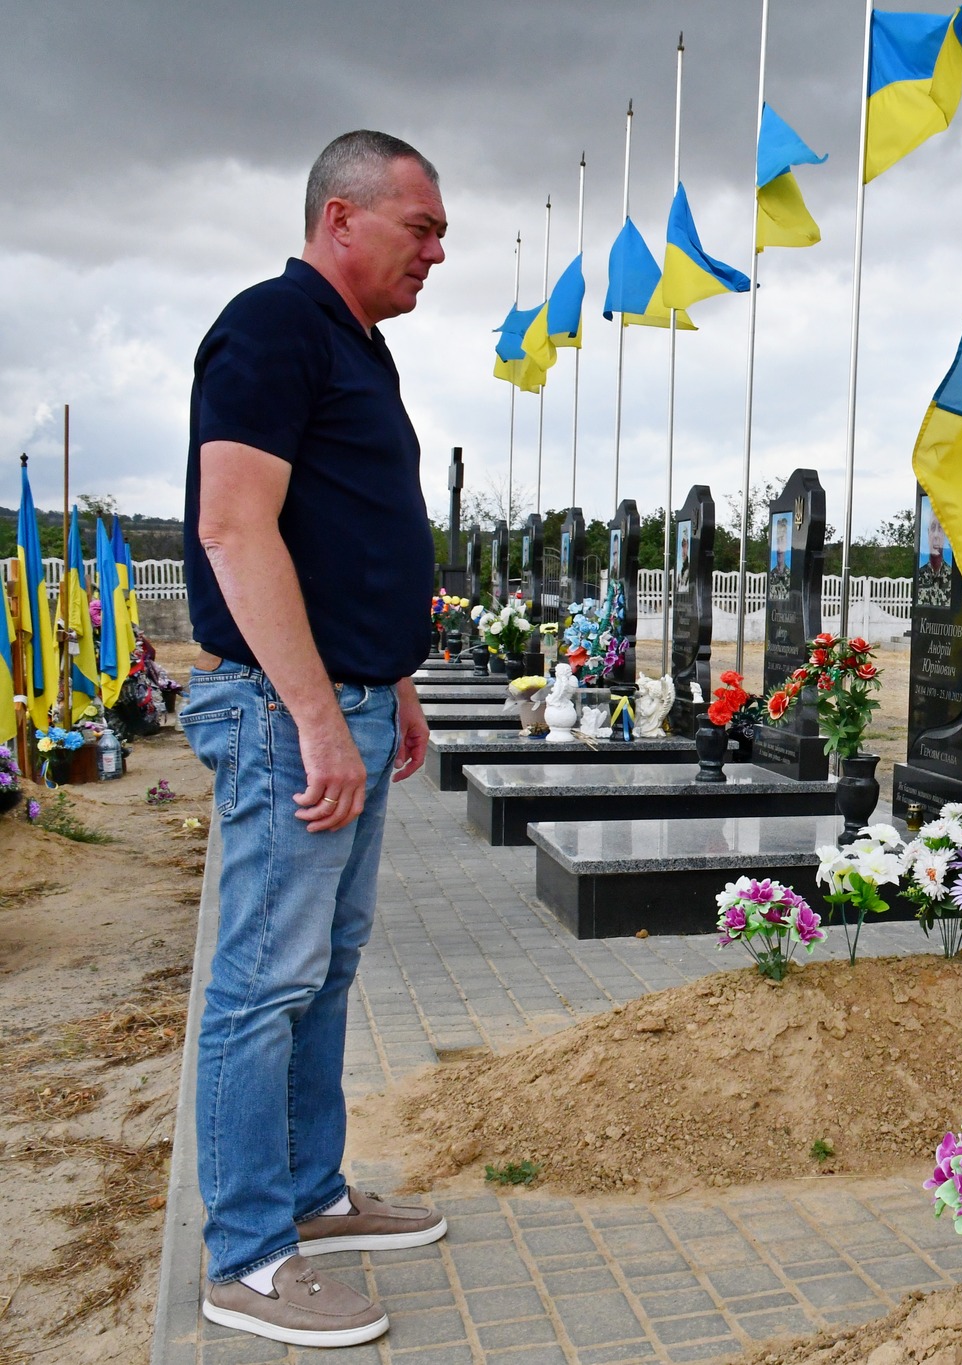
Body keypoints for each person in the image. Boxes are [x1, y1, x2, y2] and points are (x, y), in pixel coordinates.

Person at [182, 130, 446, 1349]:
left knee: (324, 969)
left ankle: (309, 1194)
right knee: (260, 981)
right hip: (283, 710)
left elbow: (346, 530)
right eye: (420, 228)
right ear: (341, 218)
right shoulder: (272, 327)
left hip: (346, 697)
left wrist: (388, 681)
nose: (434, 253)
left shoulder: (356, 347)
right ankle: (245, 1257)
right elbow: (236, 530)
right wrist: (311, 714)